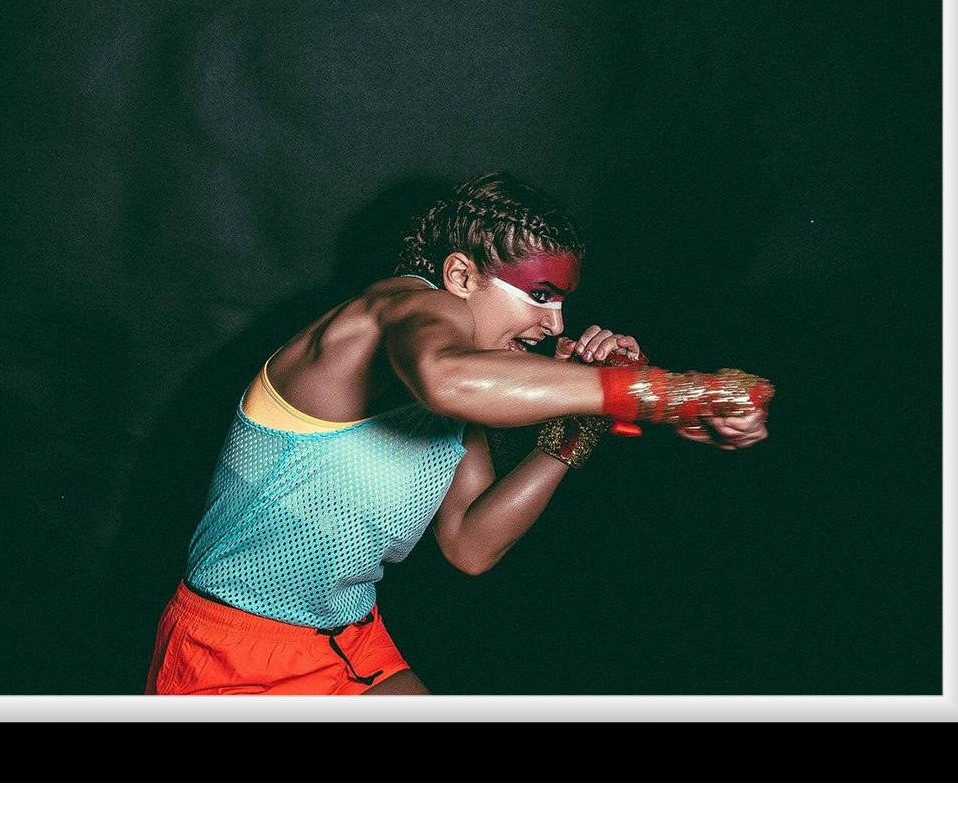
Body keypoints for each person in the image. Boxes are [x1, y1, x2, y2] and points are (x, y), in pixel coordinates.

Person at [144, 172, 772, 695]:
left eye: (562, 303)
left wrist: (581, 424)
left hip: (351, 641)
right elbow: (447, 378)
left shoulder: (456, 393)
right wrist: (671, 393)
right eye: (541, 295)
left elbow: (471, 544)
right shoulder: (402, 308)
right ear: (462, 276)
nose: (556, 325)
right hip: (231, 653)